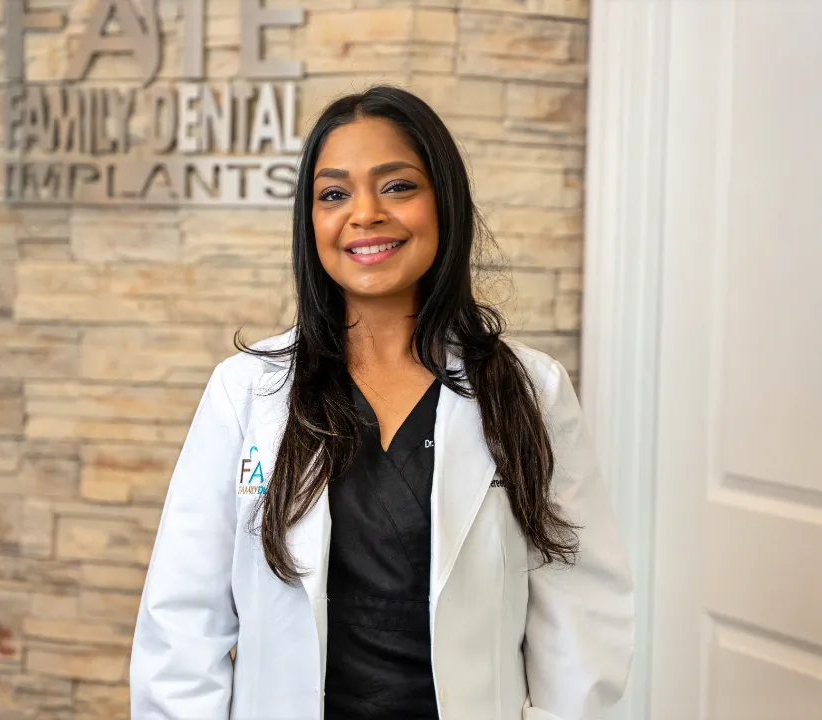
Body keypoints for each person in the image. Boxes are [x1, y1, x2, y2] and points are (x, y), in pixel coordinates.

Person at [129, 85, 634, 720]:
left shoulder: (531, 392)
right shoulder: (247, 393)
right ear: (310, 221)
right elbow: (183, 622)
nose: (364, 214)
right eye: (334, 194)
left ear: (443, 202)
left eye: (397, 186)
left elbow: (582, 612)